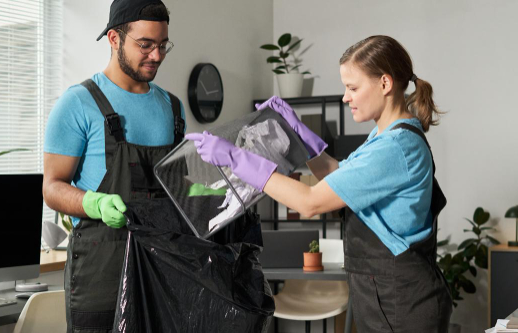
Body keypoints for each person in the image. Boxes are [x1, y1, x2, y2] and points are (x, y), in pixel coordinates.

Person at [186, 35, 452, 332]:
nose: (345, 97)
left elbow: (310, 202)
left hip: (403, 303)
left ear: (385, 84)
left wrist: (235, 158)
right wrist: (297, 131)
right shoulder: (384, 138)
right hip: (385, 296)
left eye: (353, 88)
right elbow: (335, 175)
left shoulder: (396, 147)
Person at [41, 1, 183, 331]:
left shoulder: (173, 108)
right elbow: (52, 187)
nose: (157, 55)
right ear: (114, 39)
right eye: (145, 44)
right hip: (101, 277)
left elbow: (177, 188)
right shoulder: (77, 103)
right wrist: (95, 202)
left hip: (165, 275)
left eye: (163, 45)